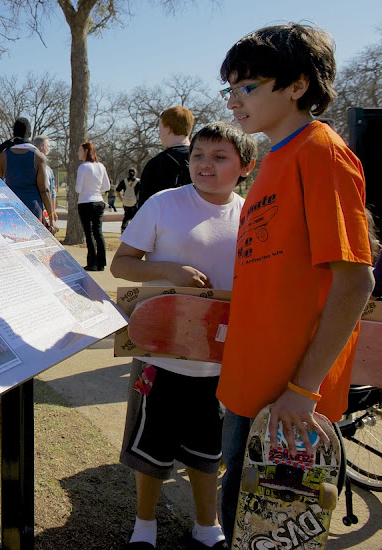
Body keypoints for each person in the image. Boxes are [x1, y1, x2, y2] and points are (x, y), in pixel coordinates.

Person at [216, 23, 374, 546]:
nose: (235, 101)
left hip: (289, 406)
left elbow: (355, 282)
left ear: (298, 85)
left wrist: (304, 390)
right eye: (230, 89)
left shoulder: (321, 153)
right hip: (250, 389)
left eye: (248, 86)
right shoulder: (272, 159)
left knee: (273, 536)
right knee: (237, 521)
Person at [112, 122, 257, 550]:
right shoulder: (163, 203)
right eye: (198, 155)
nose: (204, 165)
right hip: (160, 356)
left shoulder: (252, 215)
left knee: (208, 448)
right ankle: (145, 526)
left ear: (245, 167)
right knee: (152, 449)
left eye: (219, 157)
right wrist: (167, 271)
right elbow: (122, 264)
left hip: (219, 362)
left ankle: (206, 526)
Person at [0, 118, 58, 233]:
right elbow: (44, 190)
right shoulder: (39, 157)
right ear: (29, 134)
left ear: (13, 134)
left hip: (11, 209)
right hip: (33, 209)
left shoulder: (2, 156)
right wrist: (51, 216)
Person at [137, 106, 193, 209]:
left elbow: (145, 209)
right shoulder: (204, 159)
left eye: (160, 129)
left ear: (168, 129)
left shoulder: (156, 165)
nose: (159, 134)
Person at [76, 142, 110, 272]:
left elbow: (78, 188)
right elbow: (106, 186)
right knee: (98, 232)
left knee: (89, 233)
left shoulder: (83, 167)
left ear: (85, 151)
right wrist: (96, 190)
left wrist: (88, 190)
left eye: (80, 150)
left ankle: (92, 262)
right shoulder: (101, 166)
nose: (78, 152)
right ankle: (101, 263)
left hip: (85, 202)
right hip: (99, 201)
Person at [33, 135, 58, 223]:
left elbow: (52, 192)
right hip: (40, 209)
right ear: (41, 146)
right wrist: (51, 212)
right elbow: (49, 191)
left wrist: (52, 211)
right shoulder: (44, 169)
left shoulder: (49, 170)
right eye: (48, 146)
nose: (49, 149)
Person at [116, 168, 141, 233]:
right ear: (135, 173)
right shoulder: (138, 181)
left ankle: (123, 230)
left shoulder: (124, 181)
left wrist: (121, 199)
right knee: (135, 217)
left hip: (126, 202)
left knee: (126, 217)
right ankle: (135, 231)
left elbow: (117, 190)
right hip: (135, 202)